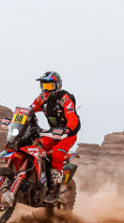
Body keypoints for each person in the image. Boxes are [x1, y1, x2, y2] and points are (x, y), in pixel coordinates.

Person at [30, 71, 81, 203]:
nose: (46, 89)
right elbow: (30, 109)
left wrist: (68, 129)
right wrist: (19, 119)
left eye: (49, 86)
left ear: (57, 85)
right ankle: (36, 179)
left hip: (67, 135)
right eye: (44, 86)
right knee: (35, 147)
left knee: (57, 154)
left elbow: (72, 117)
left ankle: (55, 189)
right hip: (52, 133)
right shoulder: (42, 98)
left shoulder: (65, 98)